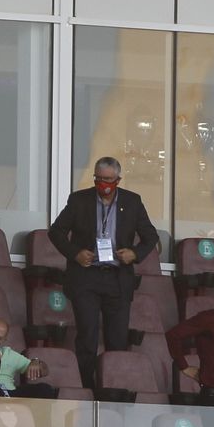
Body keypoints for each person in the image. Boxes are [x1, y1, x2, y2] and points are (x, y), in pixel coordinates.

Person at [47, 156, 160, 387]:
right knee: (87, 337)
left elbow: (151, 237)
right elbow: (56, 231)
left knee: (117, 338)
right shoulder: (79, 200)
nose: (103, 184)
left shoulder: (132, 201)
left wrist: (134, 254)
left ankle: (113, 388)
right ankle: (86, 388)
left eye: (108, 180)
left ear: (118, 179)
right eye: (99, 179)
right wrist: (75, 253)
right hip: (86, 275)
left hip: (118, 278)